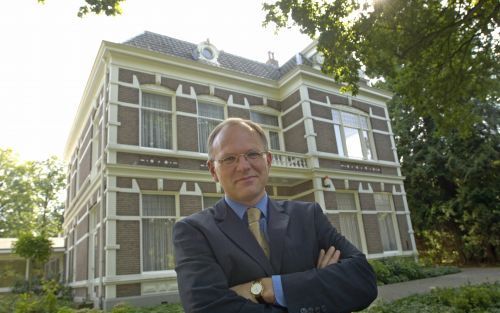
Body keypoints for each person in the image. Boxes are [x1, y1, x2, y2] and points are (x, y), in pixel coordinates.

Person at [173, 118, 377, 313]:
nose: (243, 166)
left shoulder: (309, 216)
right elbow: (206, 308)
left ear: (268, 160)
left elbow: (363, 280)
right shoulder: (194, 231)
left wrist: (264, 287)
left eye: (252, 154)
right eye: (229, 158)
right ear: (213, 170)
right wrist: (316, 289)